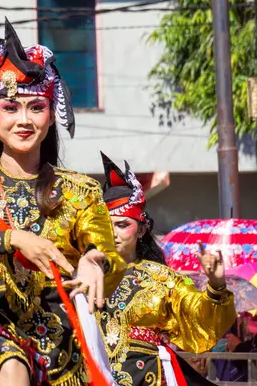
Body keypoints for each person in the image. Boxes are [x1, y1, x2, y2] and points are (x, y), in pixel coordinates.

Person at [0, 19, 127, 386]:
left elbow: (103, 254)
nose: (24, 120)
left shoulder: (80, 192)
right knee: (9, 361)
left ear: (50, 118)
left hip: (62, 339)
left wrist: (97, 262)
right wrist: (6, 240)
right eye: (11, 108)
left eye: (36, 108)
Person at [98, 152, 236, 385]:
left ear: (141, 230)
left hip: (147, 377)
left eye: (123, 225)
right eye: (105, 225)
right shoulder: (82, 274)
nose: (113, 233)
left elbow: (200, 318)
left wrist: (216, 285)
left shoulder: (161, 279)